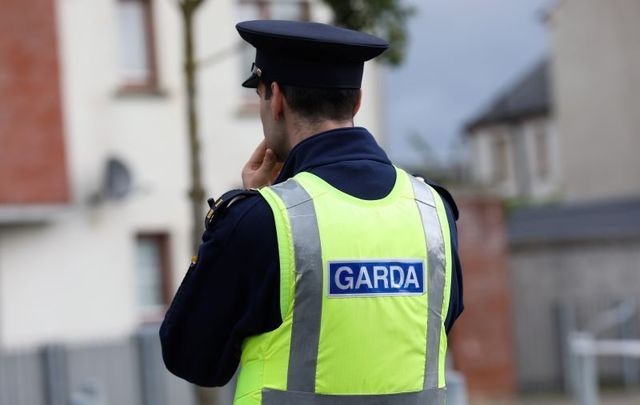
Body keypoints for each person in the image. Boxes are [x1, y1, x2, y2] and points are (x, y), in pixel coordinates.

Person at [160, 20, 463, 404]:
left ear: (277, 98)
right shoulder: (433, 211)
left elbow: (192, 359)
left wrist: (238, 218)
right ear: (356, 102)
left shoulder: (260, 221)